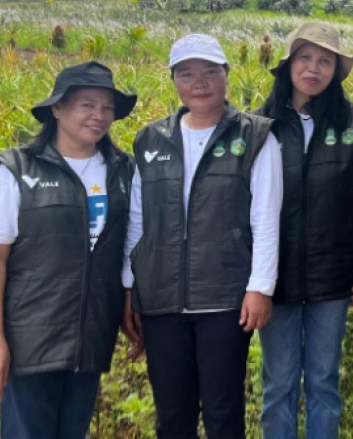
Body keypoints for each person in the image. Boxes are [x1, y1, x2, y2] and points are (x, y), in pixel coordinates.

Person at [122, 34, 283, 439]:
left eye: (210, 71)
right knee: (172, 415)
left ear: (226, 75)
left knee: (222, 411)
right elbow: (138, 220)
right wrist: (129, 286)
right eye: (187, 74)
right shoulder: (150, 140)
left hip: (224, 298)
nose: (200, 82)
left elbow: (266, 218)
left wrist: (260, 286)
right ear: (173, 80)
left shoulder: (256, 136)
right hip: (161, 299)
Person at [0, 61, 137, 439]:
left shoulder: (123, 170)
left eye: (107, 107)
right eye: (87, 104)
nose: (99, 115)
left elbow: (130, 247)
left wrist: (130, 303)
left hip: (90, 339)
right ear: (57, 109)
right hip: (30, 340)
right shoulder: (16, 171)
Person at [255, 22, 353, 439]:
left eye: (325, 61)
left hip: (334, 275)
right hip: (276, 278)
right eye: (305, 58)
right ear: (288, 65)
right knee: (278, 385)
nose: (314, 68)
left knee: (324, 380)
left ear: (336, 72)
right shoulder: (261, 125)